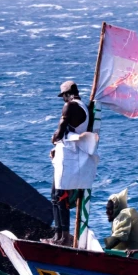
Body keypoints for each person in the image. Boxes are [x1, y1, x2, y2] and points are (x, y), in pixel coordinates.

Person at [47, 81, 90, 245]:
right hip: (68, 156)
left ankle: (63, 237)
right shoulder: (83, 106)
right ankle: (58, 236)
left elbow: (60, 131)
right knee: (55, 197)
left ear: (67, 94)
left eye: (63, 96)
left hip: (68, 158)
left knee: (60, 197)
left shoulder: (70, 106)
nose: (63, 100)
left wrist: (54, 139)